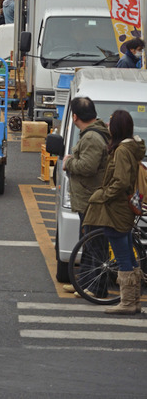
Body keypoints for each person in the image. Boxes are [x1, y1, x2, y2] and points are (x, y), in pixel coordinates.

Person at [84, 110, 146, 314]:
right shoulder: (130, 149)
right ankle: (133, 301)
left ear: (117, 127)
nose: (108, 126)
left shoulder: (121, 151)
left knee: (122, 255)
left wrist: (104, 196)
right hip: (124, 209)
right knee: (128, 253)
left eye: (111, 123)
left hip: (116, 210)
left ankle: (128, 303)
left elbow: (119, 181)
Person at [61, 97, 110, 295]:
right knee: (88, 241)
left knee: (94, 243)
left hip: (91, 199)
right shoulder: (92, 134)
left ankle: (96, 288)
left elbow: (88, 167)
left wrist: (68, 162)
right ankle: (85, 283)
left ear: (74, 116)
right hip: (88, 198)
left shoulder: (91, 137)